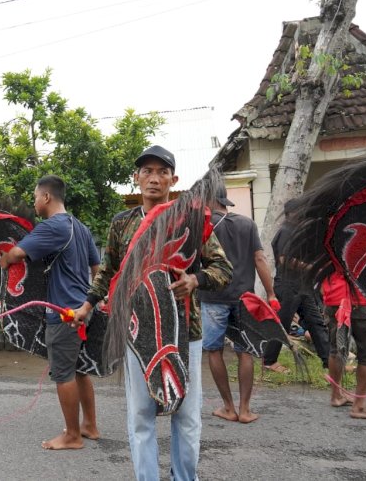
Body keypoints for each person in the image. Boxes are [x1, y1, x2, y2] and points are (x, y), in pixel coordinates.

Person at [73, 145, 232, 481]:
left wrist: (195, 279)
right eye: (147, 171)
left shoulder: (189, 218)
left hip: (185, 334)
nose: (154, 179)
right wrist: (87, 306)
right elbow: (107, 271)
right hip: (136, 337)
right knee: (141, 416)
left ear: (173, 180)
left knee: (187, 417)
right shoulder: (122, 224)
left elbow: (222, 268)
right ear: (137, 178)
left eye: (162, 172)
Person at [0, 175, 101, 450]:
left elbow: (18, 254)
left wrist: (4, 258)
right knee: (80, 369)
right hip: (83, 307)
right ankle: (89, 425)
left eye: (35, 197)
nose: (34, 202)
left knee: (63, 372)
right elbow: (97, 270)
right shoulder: (80, 227)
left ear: (46, 197)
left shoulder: (53, 226)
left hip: (65, 312)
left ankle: (72, 435)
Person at [198, 184, 277, 424]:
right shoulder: (247, 224)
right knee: (245, 352)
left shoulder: (203, 226)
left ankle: (228, 407)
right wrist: (271, 293)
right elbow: (259, 259)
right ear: (225, 201)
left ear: (209, 200)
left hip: (213, 297)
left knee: (214, 350)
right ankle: (245, 410)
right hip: (245, 298)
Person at [263, 199, 330, 373]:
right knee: (282, 324)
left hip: (302, 285)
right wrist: (311, 267)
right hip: (287, 285)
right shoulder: (285, 231)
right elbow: (285, 260)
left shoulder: (296, 232)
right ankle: (269, 361)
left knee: (316, 322)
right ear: (292, 213)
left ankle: (329, 361)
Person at [321, 272, 366, 419]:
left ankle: (336, 396)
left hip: (334, 296)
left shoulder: (328, 246)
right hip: (361, 295)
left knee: (336, 349)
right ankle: (360, 406)